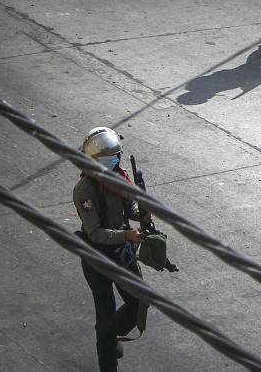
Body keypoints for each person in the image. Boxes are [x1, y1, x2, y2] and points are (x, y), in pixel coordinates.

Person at [73, 127, 150, 372]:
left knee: (140, 301)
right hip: (98, 258)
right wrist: (127, 235)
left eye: (116, 155)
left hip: (123, 252)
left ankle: (112, 336)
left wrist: (144, 214)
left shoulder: (120, 176)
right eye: (109, 158)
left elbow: (130, 210)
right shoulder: (85, 190)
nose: (114, 161)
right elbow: (95, 233)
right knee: (105, 320)